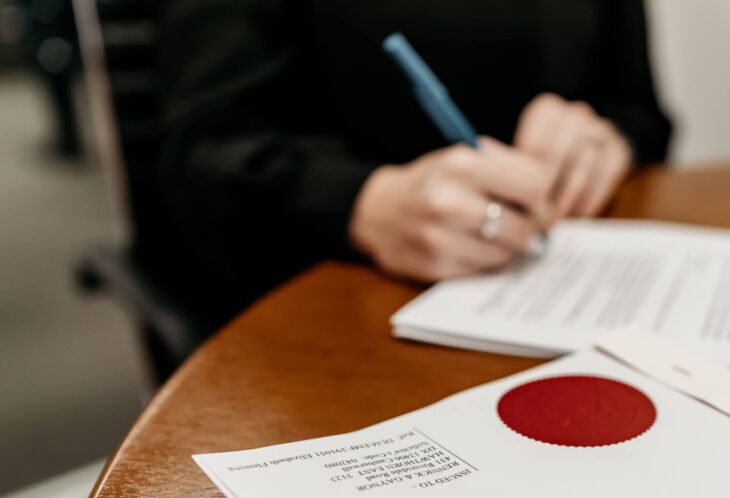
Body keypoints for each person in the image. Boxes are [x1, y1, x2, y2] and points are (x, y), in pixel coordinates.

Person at [158, 0, 672, 307]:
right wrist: (362, 203)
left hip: (564, 287)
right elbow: (200, 154)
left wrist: (603, 141)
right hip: (338, 311)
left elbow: (642, 112)